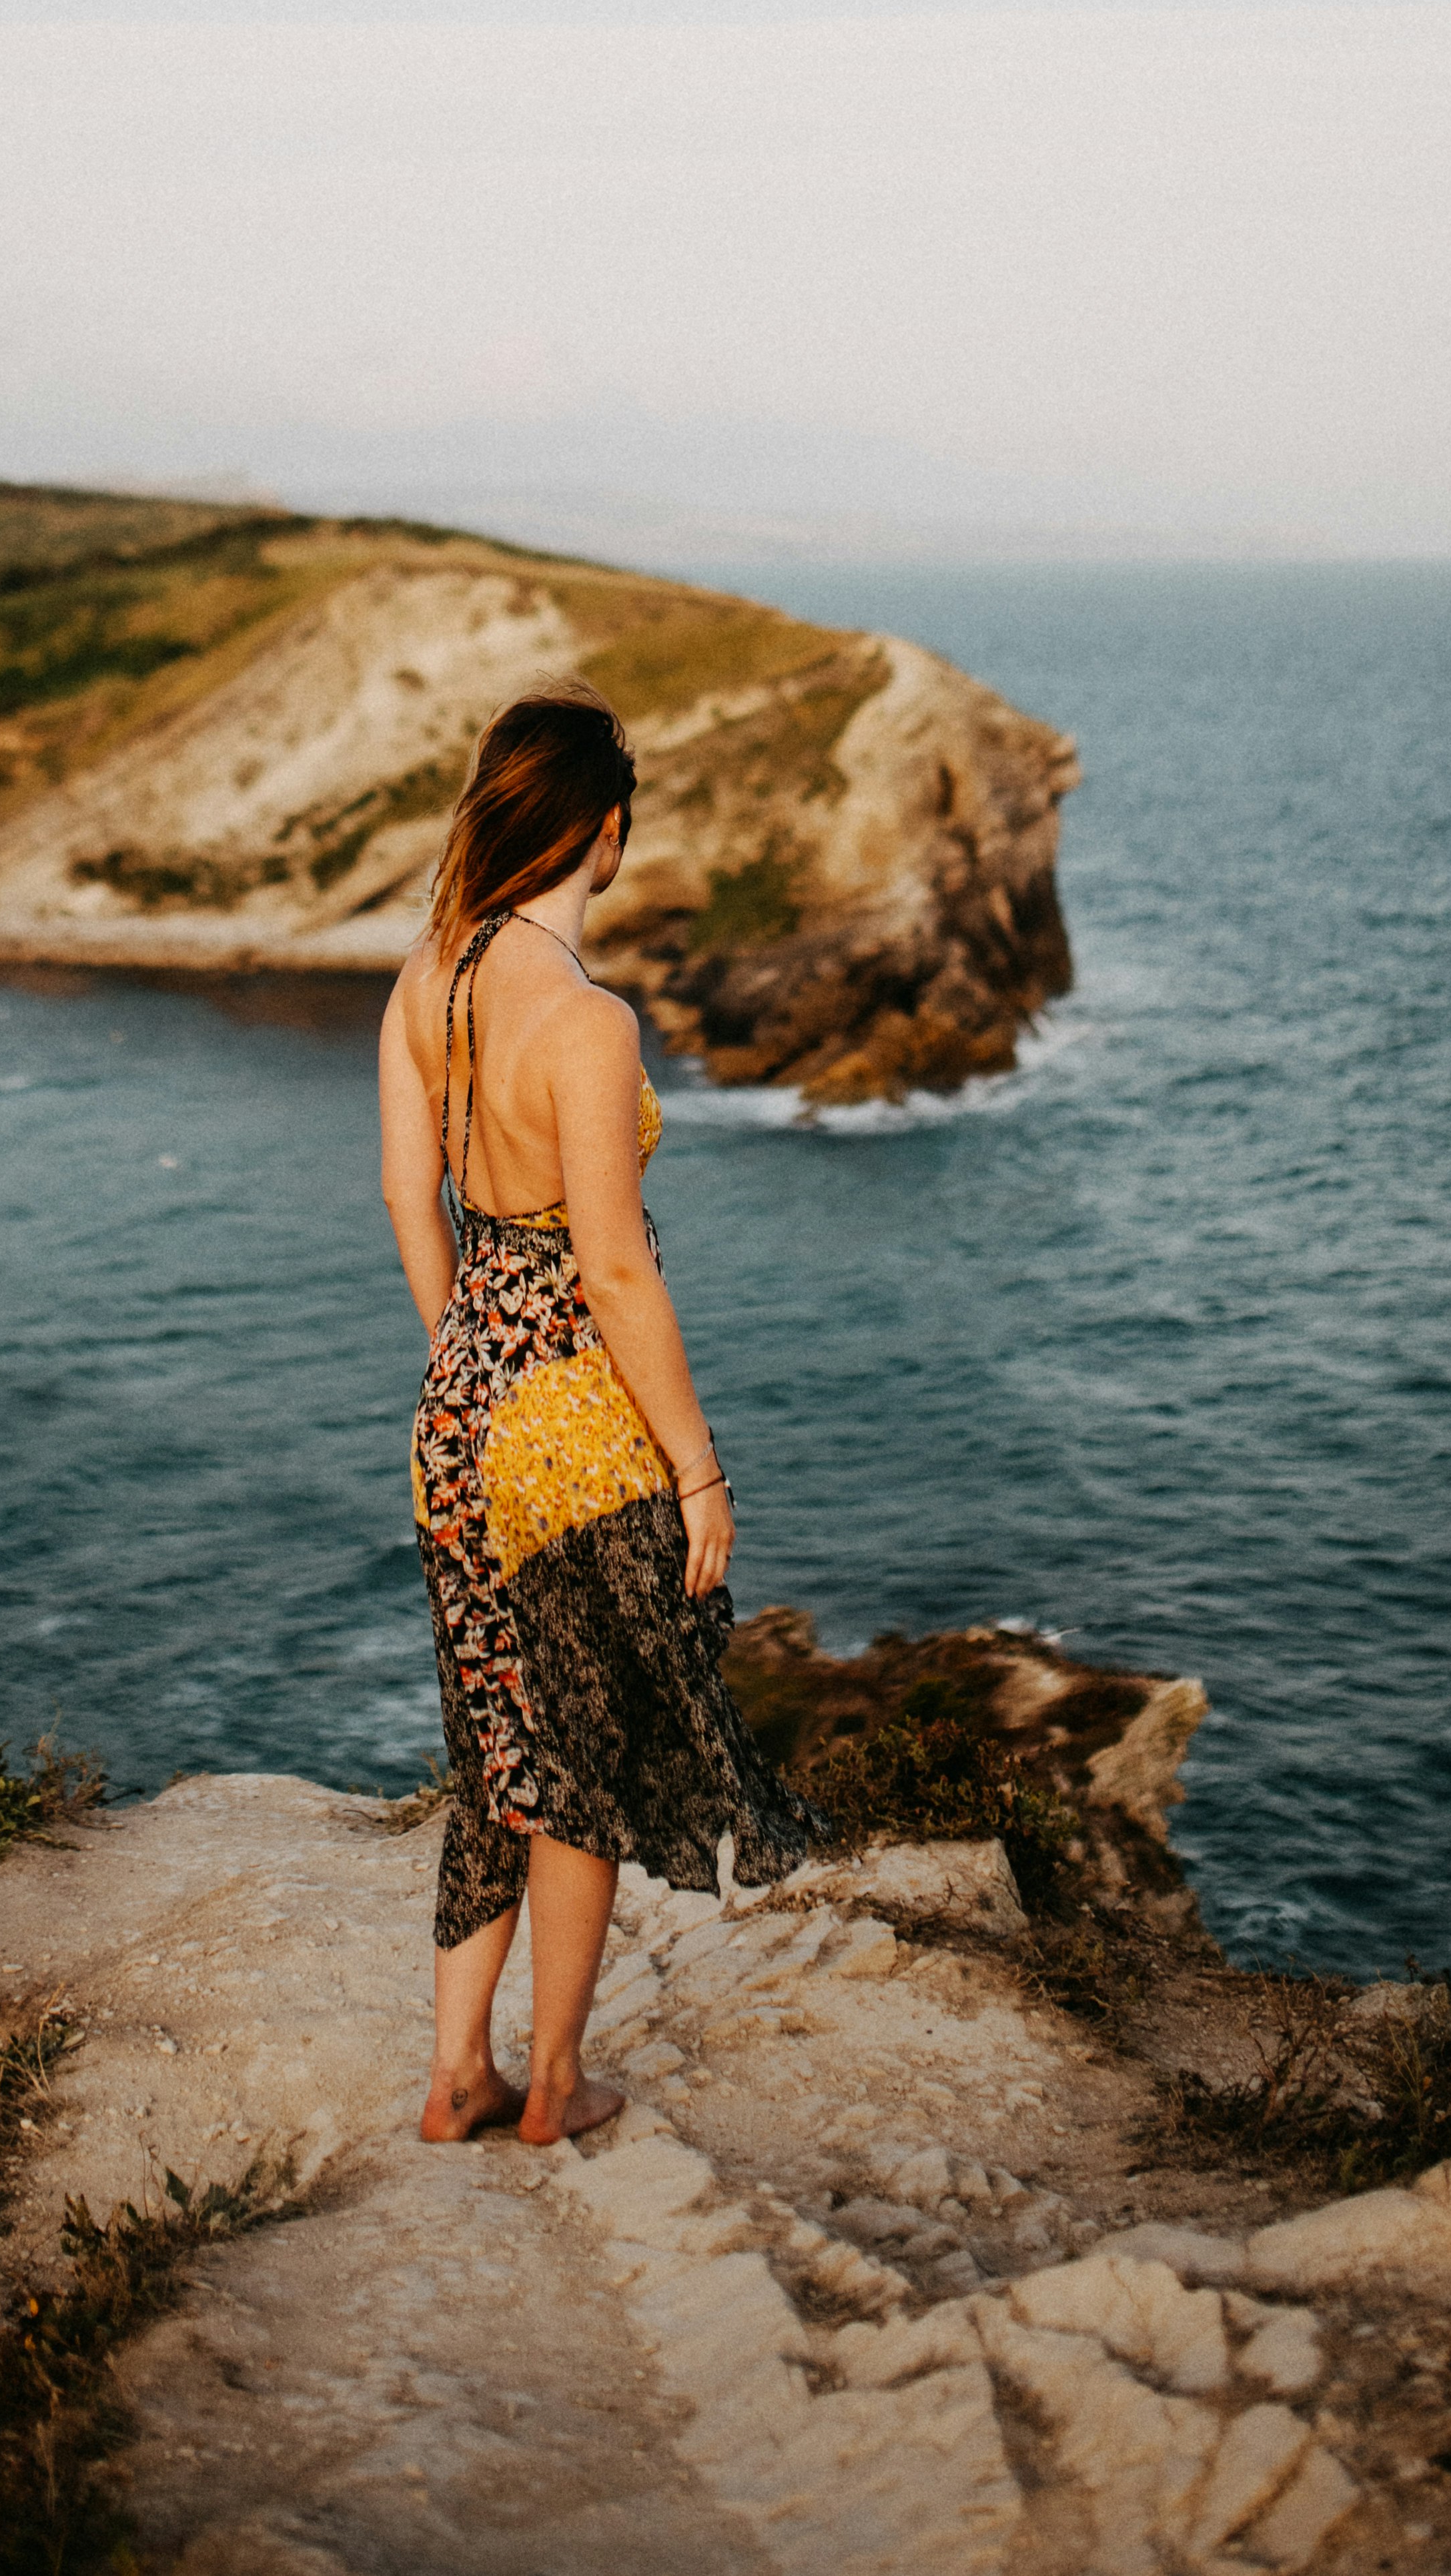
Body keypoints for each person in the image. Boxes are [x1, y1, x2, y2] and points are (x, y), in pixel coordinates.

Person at [380, 681, 824, 2148]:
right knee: (579, 1758)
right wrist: (697, 1467)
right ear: (606, 832)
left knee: (488, 1743)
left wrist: (468, 1357)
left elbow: (406, 1193)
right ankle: (553, 2081)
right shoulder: (585, 1019)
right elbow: (615, 1265)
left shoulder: (428, 977)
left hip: (454, 1409)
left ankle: (458, 2068)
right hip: (573, 1431)